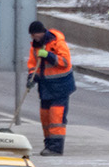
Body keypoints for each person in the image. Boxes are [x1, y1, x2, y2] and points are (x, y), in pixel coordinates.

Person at [26, 20, 75, 156]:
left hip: (61, 86)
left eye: (35, 35)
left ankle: (56, 148)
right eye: (32, 36)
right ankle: (48, 145)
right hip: (45, 86)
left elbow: (65, 62)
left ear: (42, 32)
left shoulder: (57, 42)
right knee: (45, 117)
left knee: (56, 117)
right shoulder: (35, 47)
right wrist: (31, 77)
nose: (34, 38)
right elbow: (32, 64)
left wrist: (49, 55)